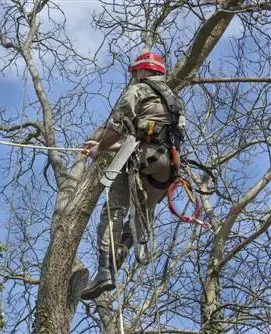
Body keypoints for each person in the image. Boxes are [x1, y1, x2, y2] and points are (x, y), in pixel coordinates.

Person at [80, 51, 185, 300]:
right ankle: (122, 250)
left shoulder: (138, 90)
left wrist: (101, 146)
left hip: (140, 161)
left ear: (143, 71)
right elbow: (148, 137)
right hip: (166, 166)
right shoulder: (175, 102)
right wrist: (101, 147)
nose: (134, 76)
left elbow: (117, 129)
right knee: (143, 214)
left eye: (135, 72)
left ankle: (105, 269)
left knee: (113, 211)